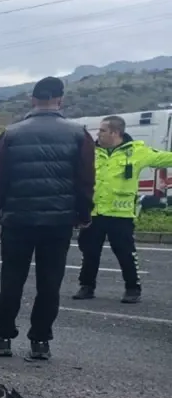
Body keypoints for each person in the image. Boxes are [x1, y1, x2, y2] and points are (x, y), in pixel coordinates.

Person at [0, 76, 95, 360]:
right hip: (58, 221)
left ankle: (2, 338)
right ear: (60, 100)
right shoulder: (78, 134)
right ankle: (40, 342)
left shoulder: (10, 134)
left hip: (17, 220)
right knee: (49, 282)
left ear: (32, 100)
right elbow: (85, 180)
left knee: (12, 279)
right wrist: (83, 214)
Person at [72, 115, 172, 304]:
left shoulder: (137, 152)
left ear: (115, 132)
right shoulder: (91, 152)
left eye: (102, 130)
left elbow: (165, 158)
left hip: (120, 215)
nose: (98, 134)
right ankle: (86, 286)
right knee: (89, 252)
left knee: (126, 254)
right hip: (95, 212)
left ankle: (132, 288)